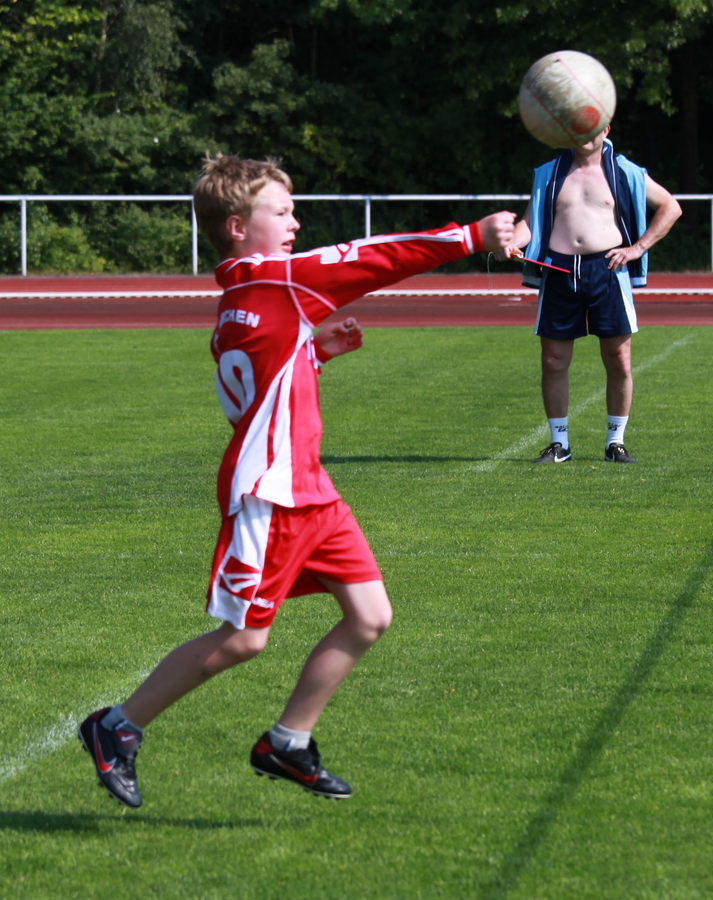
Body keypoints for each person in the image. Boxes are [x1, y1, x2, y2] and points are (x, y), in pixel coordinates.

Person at [78, 153, 515, 808]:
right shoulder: (274, 280)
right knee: (242, 638)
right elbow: (370, 257)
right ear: (235, 227)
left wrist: (311, 352)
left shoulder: (239, 300)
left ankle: (287, 741)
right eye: (280, 212)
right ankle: (115, 727)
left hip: (310, 489)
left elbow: (256, 393)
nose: (295, 222)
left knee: (369, 617)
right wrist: (471, 236)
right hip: (271, 496)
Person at [499, 126, 681, 463]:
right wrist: (509, 243)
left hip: (608, 270)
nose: (583, 133)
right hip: (558, 272)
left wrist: (638, 248)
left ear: (606, 127)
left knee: (619, 359)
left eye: (591, 124)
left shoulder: (625, 170)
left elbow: (671, 207)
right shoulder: (548, 172)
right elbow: (530, 223)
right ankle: (559, 444)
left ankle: (616, 442)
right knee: (553, 360)